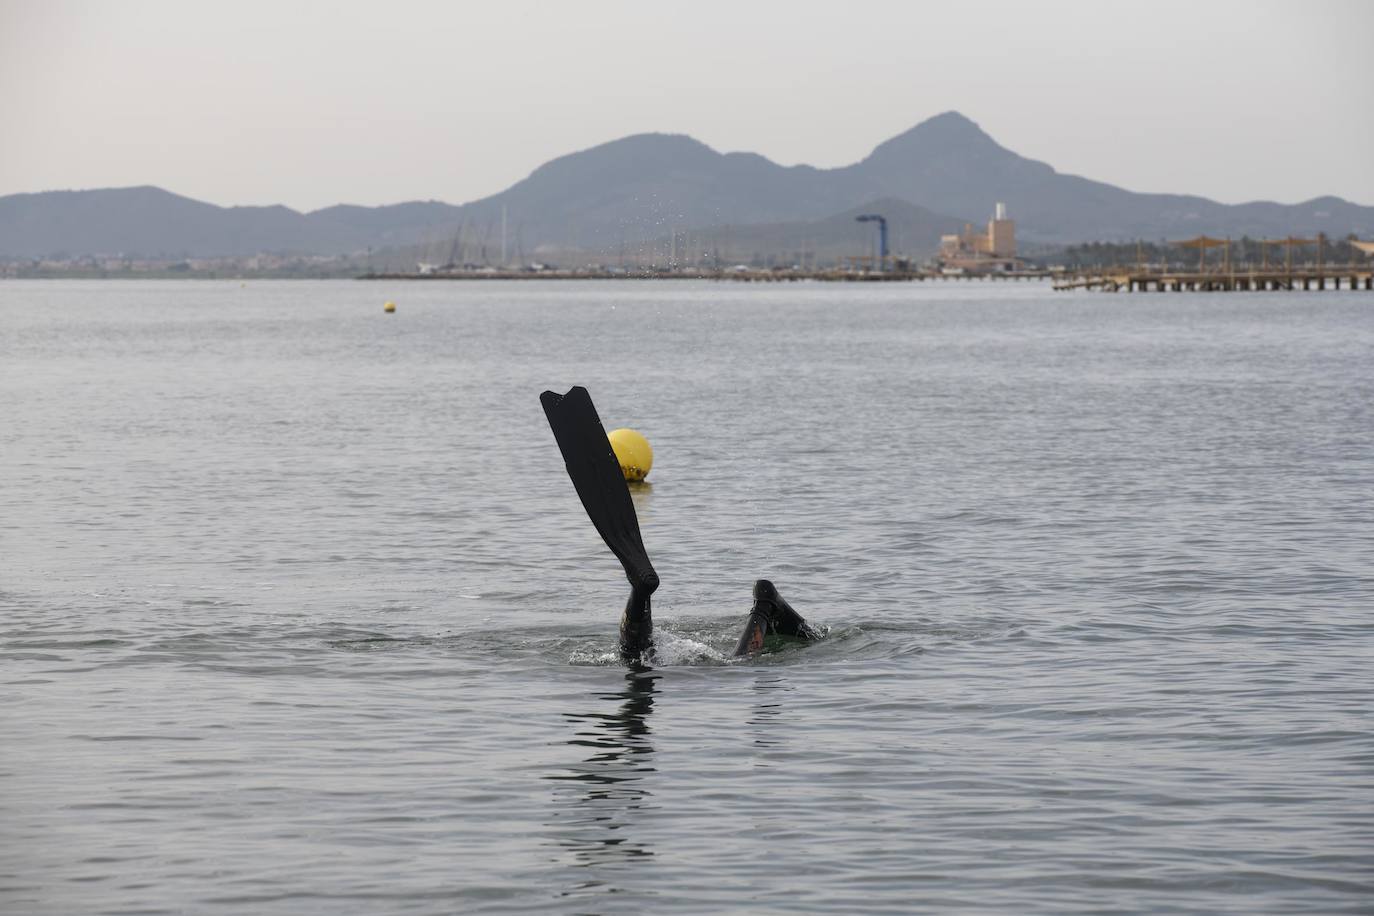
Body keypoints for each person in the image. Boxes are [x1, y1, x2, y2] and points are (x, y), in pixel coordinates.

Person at [541, 386, 821, 662]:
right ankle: (762, 604)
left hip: (676, 667)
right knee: (644, 659)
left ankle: (641, 589)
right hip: (695, 667)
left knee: (637, 658)